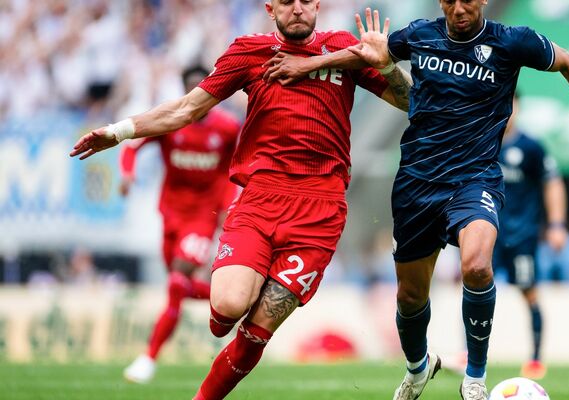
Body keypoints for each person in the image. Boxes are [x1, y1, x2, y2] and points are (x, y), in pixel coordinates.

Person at [266, 2, 569, 399]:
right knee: (411, 295)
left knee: (477, 266)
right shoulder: (420, 34)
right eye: (450, 0)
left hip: (475, 178)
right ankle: (418, 367)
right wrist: (309, 65)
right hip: (417, 183)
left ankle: (475, 379)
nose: (459, 8)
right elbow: (368, 54)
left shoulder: (511, 41)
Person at [70, 1, 412, 399]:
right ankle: (230, 301)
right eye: (286, 2)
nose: (297, 9)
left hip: (319, 211)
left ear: (318, 4)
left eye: (305, 0)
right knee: (228, 308)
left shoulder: (344, 48)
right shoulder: (249, 51)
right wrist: (118, 132)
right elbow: (185, 109)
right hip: (259, 200)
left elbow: (409, 102)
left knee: (255, 333)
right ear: (270, 8)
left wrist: (386, 65)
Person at [120, 65, 241, 384]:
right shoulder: (171, 122)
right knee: (179, 288)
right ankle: (234, 303)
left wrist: (227, 205)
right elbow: (133, 144)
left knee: (176, 283)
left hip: (203, 220)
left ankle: (149, 358)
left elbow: (234, 168)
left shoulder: (227, 128)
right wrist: (127, 172)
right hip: (170, 215)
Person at [493, 93, 567, 380]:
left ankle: (535, 358)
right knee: (473, 286)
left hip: (521, 236)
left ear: (519, 108)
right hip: (486, 232)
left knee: (530, 292)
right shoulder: (481, 140)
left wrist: (557, 225)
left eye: (512, 105)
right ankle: (469, 354)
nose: (507, 111)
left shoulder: (531, 147)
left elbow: (553, 183)